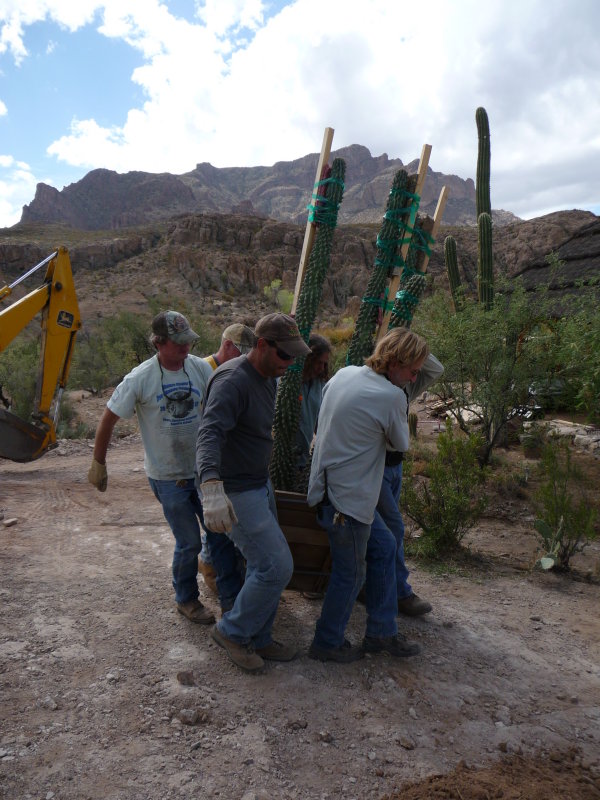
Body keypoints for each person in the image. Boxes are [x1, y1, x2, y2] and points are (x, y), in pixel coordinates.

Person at [307, 327, 442, 663]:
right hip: (348, 502)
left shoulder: (344, 373)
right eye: (413, 370)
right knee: (349, 573)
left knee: (383, 547)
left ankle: (381, 634)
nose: (414, 377)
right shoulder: (391, 396)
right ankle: (326, 642)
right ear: (396, 361)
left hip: (326, 489)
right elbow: (401, 444)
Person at [196, 312, 310, 673]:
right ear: (262, 345)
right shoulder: (232, 380)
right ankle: (232, 632)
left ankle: (258, 637)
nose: (289, 364)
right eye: (284, 355)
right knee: (276, 566)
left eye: (294, 357)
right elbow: (209, 433)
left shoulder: (268, 373)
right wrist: (211, 485)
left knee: (266, 565)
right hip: (236, 491)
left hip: (258, 483)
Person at [88, 310, 216, 625]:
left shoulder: (200, 369)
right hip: (167, 477)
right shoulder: (141, 378)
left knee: (219, 532)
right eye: (178, 343)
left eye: (188, 341)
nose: (186, 348)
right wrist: (98, 463)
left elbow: (219, 406)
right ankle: (186, 599)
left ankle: (227, 588)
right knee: (189, 541)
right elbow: (108, 418)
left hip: (201, 472)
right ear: (159, 343)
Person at [367, 352, 444, 620]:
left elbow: (435, 368)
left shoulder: (405, 385)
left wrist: (406, 338)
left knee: (384, 530)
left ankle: (379, 587)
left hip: (394, 466)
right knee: (392, 528)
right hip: (376, 466)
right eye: (411, 369)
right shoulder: (377, 385)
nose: (415, 375)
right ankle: (399, 593)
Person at [198, 322, 256, 609]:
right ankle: (216, 579)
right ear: (229, 346)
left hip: (224, 458)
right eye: (242, 352)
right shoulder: (204, 369)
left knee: (219, 531)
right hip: (208, 461)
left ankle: (221, 575)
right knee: (216, 531)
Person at [294, 333, 332, 472]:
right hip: (281, 458)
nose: (321, 368)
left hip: (302, 458)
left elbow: (320, 421)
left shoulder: (320, 385)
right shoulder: (289, 382)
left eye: (325, 363)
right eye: (318, 362)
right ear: (308, 359)